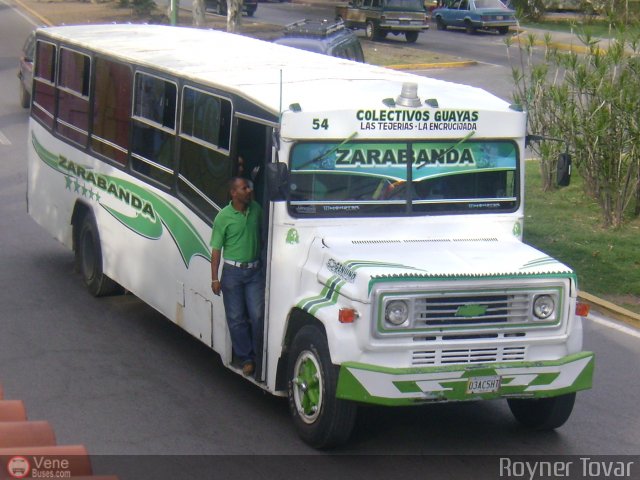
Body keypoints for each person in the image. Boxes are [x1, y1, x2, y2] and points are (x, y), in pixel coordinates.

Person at [210, 177, 264, 377]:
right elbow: (216, 250)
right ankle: (247, 358)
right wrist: (214, 278)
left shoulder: (256, 210)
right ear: (234, 193)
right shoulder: (223, 217)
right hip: (232, 274)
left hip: (254, 272)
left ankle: (260, 356)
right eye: (244, 188)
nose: (248, 190)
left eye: (249, 187)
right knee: (236, 319)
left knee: (258, 316)